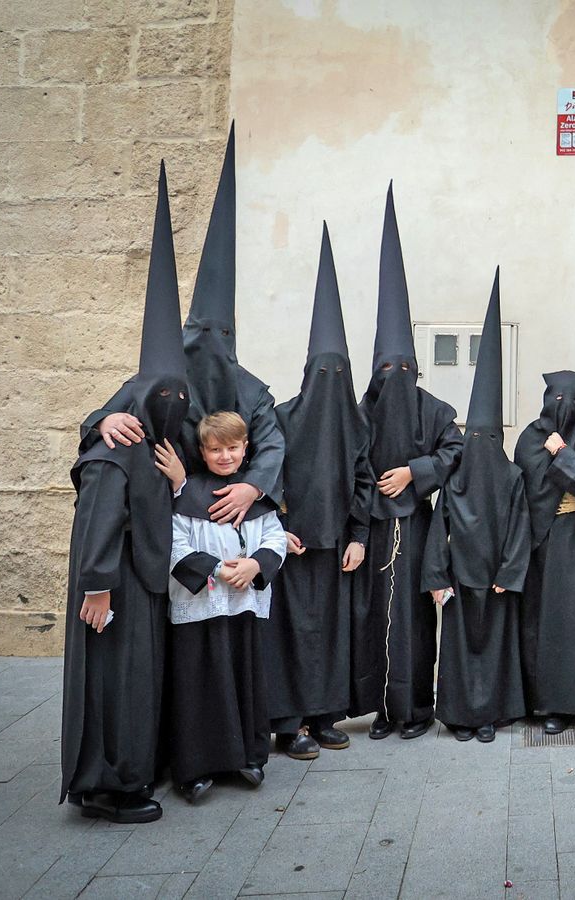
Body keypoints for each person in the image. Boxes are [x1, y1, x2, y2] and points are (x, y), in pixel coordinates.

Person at [60, 165, 186, 824]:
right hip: (115, 589)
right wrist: (100, 587)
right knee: (117, 684)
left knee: (137, 684)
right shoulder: (115, 449)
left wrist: (177, 482)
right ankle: (113, 786)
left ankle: (135, 769)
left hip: (141, 586)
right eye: (162, 398)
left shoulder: (145, 444)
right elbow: (102, 514)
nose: (172, 409)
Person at [82, 125, 283, 529]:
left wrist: (253, 487)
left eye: (219, 336)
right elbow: (111, 410)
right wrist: (104, 420)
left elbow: (272, 444)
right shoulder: (164, 380)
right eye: (199, 333)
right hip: (165, 513)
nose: (208, 345)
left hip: (229, 514)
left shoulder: (252, 392)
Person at [351, 185, 465, 741]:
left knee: (417, 622)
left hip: (418, 527)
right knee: (375, 618)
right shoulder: (359, 411)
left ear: (414, 369)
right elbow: (346, 463)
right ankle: (379, 709)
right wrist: (375, 491)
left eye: (403, 367)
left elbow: (456, 452)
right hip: (374, 528)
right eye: (386, 368)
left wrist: (415, 473)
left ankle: (417, 709)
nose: (394, 377)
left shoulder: (436, 409)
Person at [265, 224, 370, 760]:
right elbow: (266, 477)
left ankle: (326, 717)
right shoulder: (281, 418)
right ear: (308, 374)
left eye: (340, 373)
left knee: (329, 635)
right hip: (291, 546)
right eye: (322, 372)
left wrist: (358, 536)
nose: (331, 380)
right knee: (291, 635)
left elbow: (362, 480)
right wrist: (278, 531)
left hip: (335, 550)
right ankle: (289, 725)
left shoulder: (355, 423)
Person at [425, 270, 530, 743]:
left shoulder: (510, 476)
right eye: (476, 438)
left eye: (489, 439)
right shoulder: (455, 478)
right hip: (464, 579)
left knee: (495, 651)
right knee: (460, 650)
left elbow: (520, 529)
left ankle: (489, 715)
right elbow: (437, 529)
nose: (482, 445)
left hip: (496, 579)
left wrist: (509, 574)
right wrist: (437, 578)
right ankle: (459, 715)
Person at [165, 411, 287, 803]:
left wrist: (255, 565)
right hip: (200, 607)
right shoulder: (186, 495)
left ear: (245, 447)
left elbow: (276, 539)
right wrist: (217, 569)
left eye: (232, 448)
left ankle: (247, 758)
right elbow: (175, 545)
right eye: (215, 449)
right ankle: (194, 769)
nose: (224, 456)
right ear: (202, 451)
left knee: (244, 679)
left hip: (244, 606)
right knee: (199, 686)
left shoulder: (258, 497)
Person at [515, 370, 575, 735]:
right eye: (555, 398)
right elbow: (522, 482)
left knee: (571, 622)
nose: (561, 407)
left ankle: (565, 704)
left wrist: (565, 454)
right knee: (536, 620)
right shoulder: (530, 436)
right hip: (537, 539)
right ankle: (533, 698)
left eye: (569, 400)